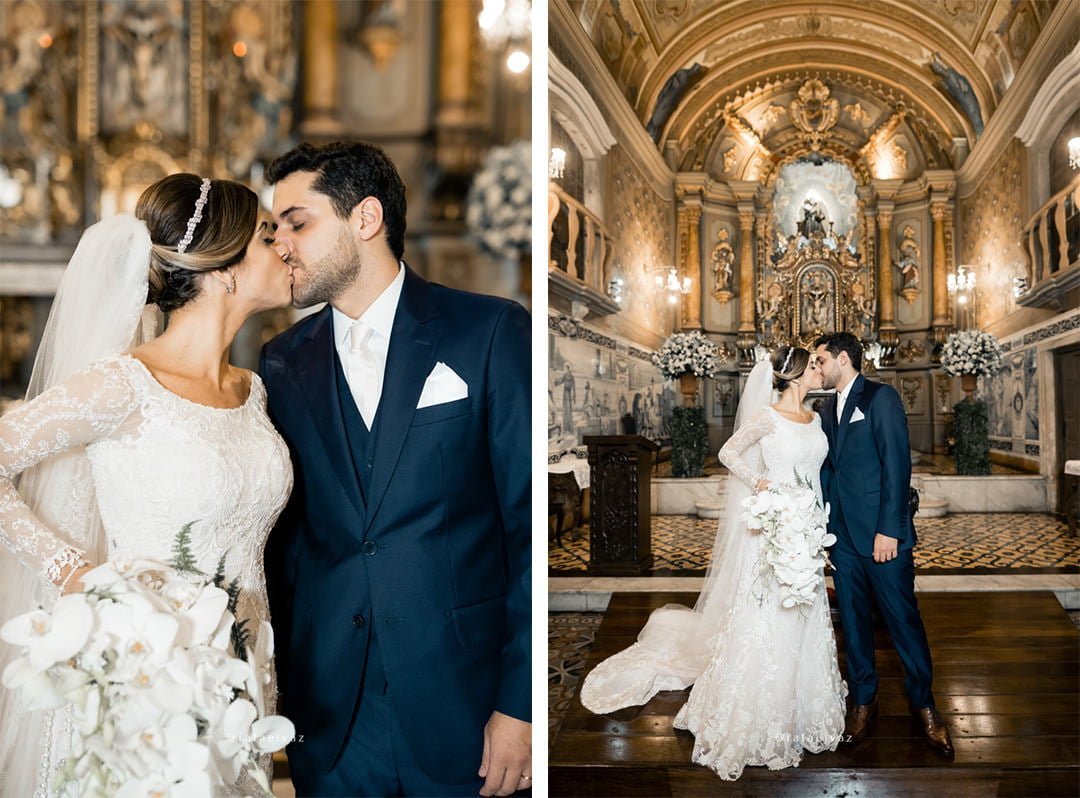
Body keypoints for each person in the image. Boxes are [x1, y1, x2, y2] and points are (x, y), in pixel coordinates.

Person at [0, 173, 295, 795]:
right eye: (270, 236)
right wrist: (75, 573)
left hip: (243, 674)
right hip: (149, 670)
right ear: (226, 269)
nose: (288, 248)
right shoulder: (121, 385)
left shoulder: (253, 390)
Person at [259, 141, 531, 797]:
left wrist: (520, 705)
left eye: (297, 223)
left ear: (366, 218)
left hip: (463, 708)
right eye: (275, 231)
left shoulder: (487, 332)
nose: (281, 247)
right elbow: (285, 544)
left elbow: (527, 528)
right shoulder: (279, 362)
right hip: (330, 719)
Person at [579, 346, 847, 780]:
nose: (821, 371)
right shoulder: (767, 417)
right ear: (795, 375)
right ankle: (753, 713)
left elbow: (816, 476)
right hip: (776, 530)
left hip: (809, 527)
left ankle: (801, 710)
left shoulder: (816, 419)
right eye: (814, 366)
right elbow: (729, 454)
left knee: (804, 614)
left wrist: (815, 520)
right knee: (769, 615)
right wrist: (761, 484)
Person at [813, 332, 953, 757]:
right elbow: (827, 471)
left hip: (882, 535)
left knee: (901, 620)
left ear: (842, 358)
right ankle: (863, 700)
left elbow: (897, 465)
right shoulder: (823, 408)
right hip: (842, 537)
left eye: (820, 360)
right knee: (853, 623)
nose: (816, 368)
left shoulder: (880, 397)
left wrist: (889, 530)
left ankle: (924, 704)